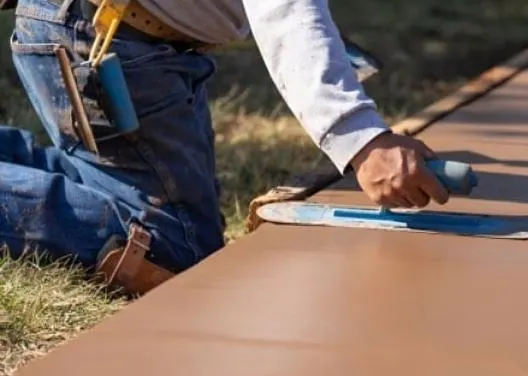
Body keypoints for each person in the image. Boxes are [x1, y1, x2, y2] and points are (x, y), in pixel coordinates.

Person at [0, 0, 450, 294]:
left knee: (122, 188)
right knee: (175, 251)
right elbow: (285, 10)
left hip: (107, 28)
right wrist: (362, 141)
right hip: (107, 37)